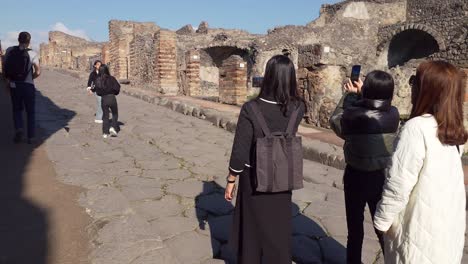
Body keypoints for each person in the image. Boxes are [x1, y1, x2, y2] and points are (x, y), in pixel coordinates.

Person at [374, 61, 467, 263]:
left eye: (414, 81)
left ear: (427, 90)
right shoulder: (453, 131)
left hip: (417, 228)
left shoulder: (416, 128)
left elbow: (398, 184)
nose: (412, 86)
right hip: (447, 227)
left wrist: (382, 221)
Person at [224, 55, 305, 263]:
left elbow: (240, 150)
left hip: (254, 178)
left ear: (268, 76)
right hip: (281, 177)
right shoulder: (298, 108)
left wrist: (231, 180)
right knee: (278, 230)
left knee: (251, 230)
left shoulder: (251, 109)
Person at [329, 70, 399, 263]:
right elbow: (376, 108)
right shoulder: (393, 115)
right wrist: (364, 96)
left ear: (367, 89)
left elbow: (336, 122)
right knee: (382, 227)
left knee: (355, 228)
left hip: (356, 177)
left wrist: (350, 95)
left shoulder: (354, 116)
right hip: (381, 177)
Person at [2, 32, 41, 144]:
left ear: (18, 39)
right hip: (28, 85)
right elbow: (38, 71)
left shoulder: (9, 50)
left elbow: (5, 67)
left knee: (17, 110)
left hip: (14, 84)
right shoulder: (32, 54)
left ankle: (19, 128)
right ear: (29, 41)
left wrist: (7, 81)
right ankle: (31, 137)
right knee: (30, 112)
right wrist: (31, 77)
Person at [92, 64, 120, 139]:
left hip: (104, 99)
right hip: (112, 97)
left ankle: (105, 133)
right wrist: (114, 92)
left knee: (105, 116)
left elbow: (97, 92)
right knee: (115, 114)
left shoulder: (98, 80)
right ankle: (113, 127)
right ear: (107, 70)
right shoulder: (112, 78)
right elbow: (117, 88)